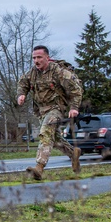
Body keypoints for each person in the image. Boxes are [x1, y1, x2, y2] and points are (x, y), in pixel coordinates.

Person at [16, 45, 83, 180]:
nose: (36, 60)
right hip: (41, 111)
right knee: (54, 138)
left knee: (46, 132)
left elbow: (76, 90)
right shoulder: (32, 73)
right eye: (34, 58)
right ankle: (73, 153)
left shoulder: (58, 72)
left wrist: (74, 107)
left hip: (57, 109)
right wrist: (21, 94)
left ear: (47, 57)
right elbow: (22, 83)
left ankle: (39, 167)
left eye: (39, 57)